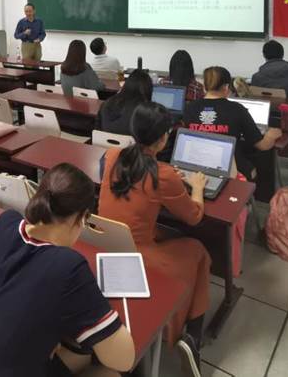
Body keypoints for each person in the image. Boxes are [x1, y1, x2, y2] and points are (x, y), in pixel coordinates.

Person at [0, 163, 135, 377]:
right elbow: (123, 360)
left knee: (78, 355)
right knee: (110, 374)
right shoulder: (69, 266)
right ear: (81, 219)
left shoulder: (6, 222)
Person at [98, 102, 210, 375]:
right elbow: (194, 216)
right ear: (162, 139)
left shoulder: (112, 156)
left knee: (168, 235)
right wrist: (196, 187)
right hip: (138, 256)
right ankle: (192, 338)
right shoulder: (163, 175)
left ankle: (190, 335)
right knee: (197, 249)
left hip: (107, 244)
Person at [184, 66, 282, 201]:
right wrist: (271, 134)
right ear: (226, 87)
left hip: (196, 167)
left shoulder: (189, 108)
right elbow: (262, 145)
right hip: (230, 170)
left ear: (205, 86)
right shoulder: (237, 109)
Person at [94, 69, 152, 135]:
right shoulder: (144, 112)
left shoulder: (107, 103)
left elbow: (97, 130)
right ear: (147, 90)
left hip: (103, 141)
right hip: (130, 141)